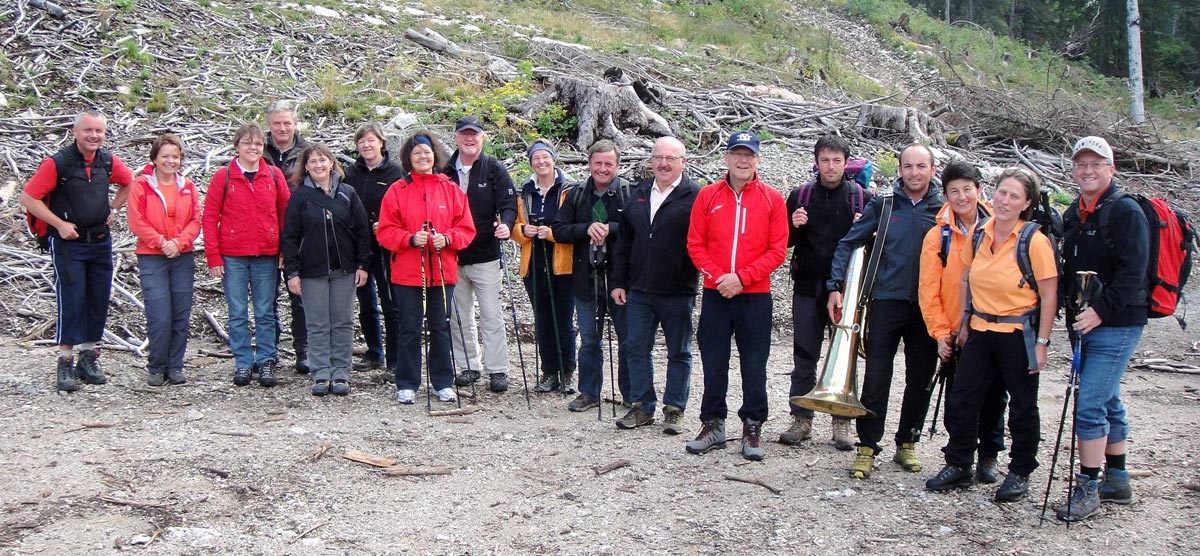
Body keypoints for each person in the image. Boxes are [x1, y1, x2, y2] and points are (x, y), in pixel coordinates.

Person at [926, 168, 1058, 502]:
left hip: (1018, 332)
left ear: (1026, 202)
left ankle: (1020, 471)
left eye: (1014, 196)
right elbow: (968, 279)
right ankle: (959, 463)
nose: (1005, 201)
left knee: (1022, 405)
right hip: (981, 330)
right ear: (993, 193)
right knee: (963, 399)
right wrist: (966, 322)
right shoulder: (980, 233)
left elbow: (1049, 295)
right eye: (1002, 193)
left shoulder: (1034, 241)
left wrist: (1042, 343)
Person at [826, 144, 943, 479]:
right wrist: (835, 285)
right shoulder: (886, 205)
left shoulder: (944, 208)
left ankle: (907, 442)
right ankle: (867, 446)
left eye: (921, 166)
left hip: (928, 307)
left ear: (932, 170)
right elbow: (849, 242)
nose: (914, 173)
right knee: (877, 377)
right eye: (908, 166)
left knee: (920, 378)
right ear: (899, 169)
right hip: (885, 302)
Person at [1056, 136, 1149, 521]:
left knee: (1090, 404)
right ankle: (1119, 479)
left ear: (1111, 169)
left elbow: (1133, 273)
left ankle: (1089, 485)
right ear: (1074, 170)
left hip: (1118, 323)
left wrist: (1101, 312)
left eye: (1097, 164)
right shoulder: (1073, 214)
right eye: (1082, 164)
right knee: (1107, 398)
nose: (1088, 170)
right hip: (1085, 323)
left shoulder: (1125, 212)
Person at [685, 131, 788, 461]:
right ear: (727, 158)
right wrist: (719, 278)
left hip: (755, 295)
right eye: (737, 154)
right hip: (716, 293)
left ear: (757, 160)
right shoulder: (707, 196)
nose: (743, 160)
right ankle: (713, 424)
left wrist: (743, 277)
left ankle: (753, 424)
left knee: (754, 364)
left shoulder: (773, 199)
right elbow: (695, 245)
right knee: (714, 361)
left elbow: (777, 250)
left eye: (749, 155)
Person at [19, 110, 133, 391]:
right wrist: (59, 224)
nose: (94, 136)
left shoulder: (107, 161)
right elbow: (28, 197)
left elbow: (131, 181)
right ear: (75, 132)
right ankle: (65, 361)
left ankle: (89, 356)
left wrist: (115, 208)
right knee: (71, 298)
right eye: (88, 131)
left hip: (99, 239)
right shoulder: (58, 163)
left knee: (97, 297)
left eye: (99, 131)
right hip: (69, 243)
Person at [916, 161, 1007, 483]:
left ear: (979, 191)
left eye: (967, 189)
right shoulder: (937, 236)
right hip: (957, 330)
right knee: (960, 398)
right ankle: (960, 460)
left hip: (996, 327)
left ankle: (989, 456)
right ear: (945, 195)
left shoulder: (1002, 227)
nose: (962, 196)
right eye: (954, 191)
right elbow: (928, 289)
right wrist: (941, 333)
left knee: (995, 397)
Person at [780, 135, 872, 450]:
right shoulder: (800, 196)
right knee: (804, 355)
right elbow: (782, 242)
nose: (830, 166)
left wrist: (865, 227)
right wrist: (793, 225)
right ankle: (801, 419)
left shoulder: (862, 199)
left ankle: (842, 421)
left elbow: (873, 249)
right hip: (807, 286)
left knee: (844, 355)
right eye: (825, 160)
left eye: (836, 160)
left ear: (846, 163)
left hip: (847, 290)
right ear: (816, 162)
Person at [376, 131, 476, 405]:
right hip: (408, 272)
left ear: (435, 155)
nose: (422, 156)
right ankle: (407, 382)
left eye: (427, 151)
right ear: (409, 157)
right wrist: (409, 239)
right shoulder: (398, 190)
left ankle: (443, 381)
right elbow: (385, 231)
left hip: (443, 271)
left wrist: (448, 238)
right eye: (417, 152)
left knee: (440, 327)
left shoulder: (450, 188)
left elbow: (466, 229)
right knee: (409, 327)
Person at [609, 137, 700, 433]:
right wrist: (618, 282)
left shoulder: (695, 195)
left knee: (680, 351)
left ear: (682, 162)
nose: (663, 164)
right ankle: (642, 406)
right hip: (639, 290)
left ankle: (674, 408)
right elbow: (624, 242)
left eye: (670, 159)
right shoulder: (639, 193)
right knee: (635, 348)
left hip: (678, 289)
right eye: (658, 158)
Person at [202, 123, 291, 387]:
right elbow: (210, 217)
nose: (253, 148)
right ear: (237, 146)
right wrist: (213, 256)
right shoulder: (223, 176)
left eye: (258, 144)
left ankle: (266, 361)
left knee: (265, 311)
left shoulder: (273, 175)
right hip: (233, 256)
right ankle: (242, 361)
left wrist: (285, 250)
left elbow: (286, 214)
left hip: (267, 254)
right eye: (247, 143)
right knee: (237, 312)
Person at [281, 144, 372, 397]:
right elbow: (289, 236)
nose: (318, 166)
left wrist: (363, 264)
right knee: (317, 323)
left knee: (343, 322)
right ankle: (321, 372)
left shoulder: (348, 193)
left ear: (332, 163)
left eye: (323, 160)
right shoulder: (300, 197)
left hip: (345, 269)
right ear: (306, 167)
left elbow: (363, 232)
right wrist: (292, 272)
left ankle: (341, 371)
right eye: (312, 162)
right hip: (311, 271)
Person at [552, 140, 634, 414]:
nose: (602, 169)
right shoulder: (576, 194)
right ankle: (589, 392)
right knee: (589, 339)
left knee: (627, 339)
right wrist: (586, 228)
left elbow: (638, 228)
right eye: (597, 163)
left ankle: (631, 395)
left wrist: (609, 228)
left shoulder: (627, 193)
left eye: (608, 163)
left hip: (620, 280)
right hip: (585, 279)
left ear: (617, 165)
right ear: (589, 164)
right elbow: (559, 229)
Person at [444, 116, 517, 393]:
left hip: (486, 254)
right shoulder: (445, 170)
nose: (469, 139)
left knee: (491, 315)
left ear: (482, 137)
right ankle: (467, 366)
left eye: (474, 134)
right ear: (456, 137)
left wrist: (506, 226)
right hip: (453, 254)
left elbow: (509, 204)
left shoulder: (494, 169)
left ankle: (497, 369)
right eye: (464, 134)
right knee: (459, 315)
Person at [126, 134, 201, 387]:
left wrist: (178, 243)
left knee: (181, 313)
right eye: (165, 156)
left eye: (176, 156)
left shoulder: (187, 186)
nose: (171, 161)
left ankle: (175, 365)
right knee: (159, 314)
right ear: (155, 158)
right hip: (152, 257)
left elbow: (195, 221)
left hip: (182, 255)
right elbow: (137, 221)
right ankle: (156, 366)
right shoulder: (141, 185)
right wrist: (161, 242)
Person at [513, 140, 576, 394]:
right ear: (531, 162)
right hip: (534, 262)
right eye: (536, 158)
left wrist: (551, 233)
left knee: (563, 319)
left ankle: (567, 372)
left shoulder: (570, 189)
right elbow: (513, 227)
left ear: (554, 159)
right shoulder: (525, 192)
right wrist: (522, 231)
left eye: (545, 157)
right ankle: (549, 371)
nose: (541, 162)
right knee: (542, 320)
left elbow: (575, 226)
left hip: (563, 262)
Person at [343, 123, 406, 375]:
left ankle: (395, 359)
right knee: (365, 301)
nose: (366, 145)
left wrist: (390, 224)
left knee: (391, 303)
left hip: (387, 247)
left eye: (370, 140)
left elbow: (406, 208)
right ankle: (373, 352)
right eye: (361, 141)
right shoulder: (351, 173)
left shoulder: (396, 173)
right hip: (359, 245)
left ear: (381, 142)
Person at [264, 100, 312, 374]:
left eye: (287, 123)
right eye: (277, 124)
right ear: (269, 125)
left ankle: (304, 352)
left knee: (300, 296)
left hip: (300, 234)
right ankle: (269, 353)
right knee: (266, 297)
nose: (282, 128)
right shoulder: (258, 149)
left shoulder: (307, 152)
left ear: (295, 124)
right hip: (265, 233)